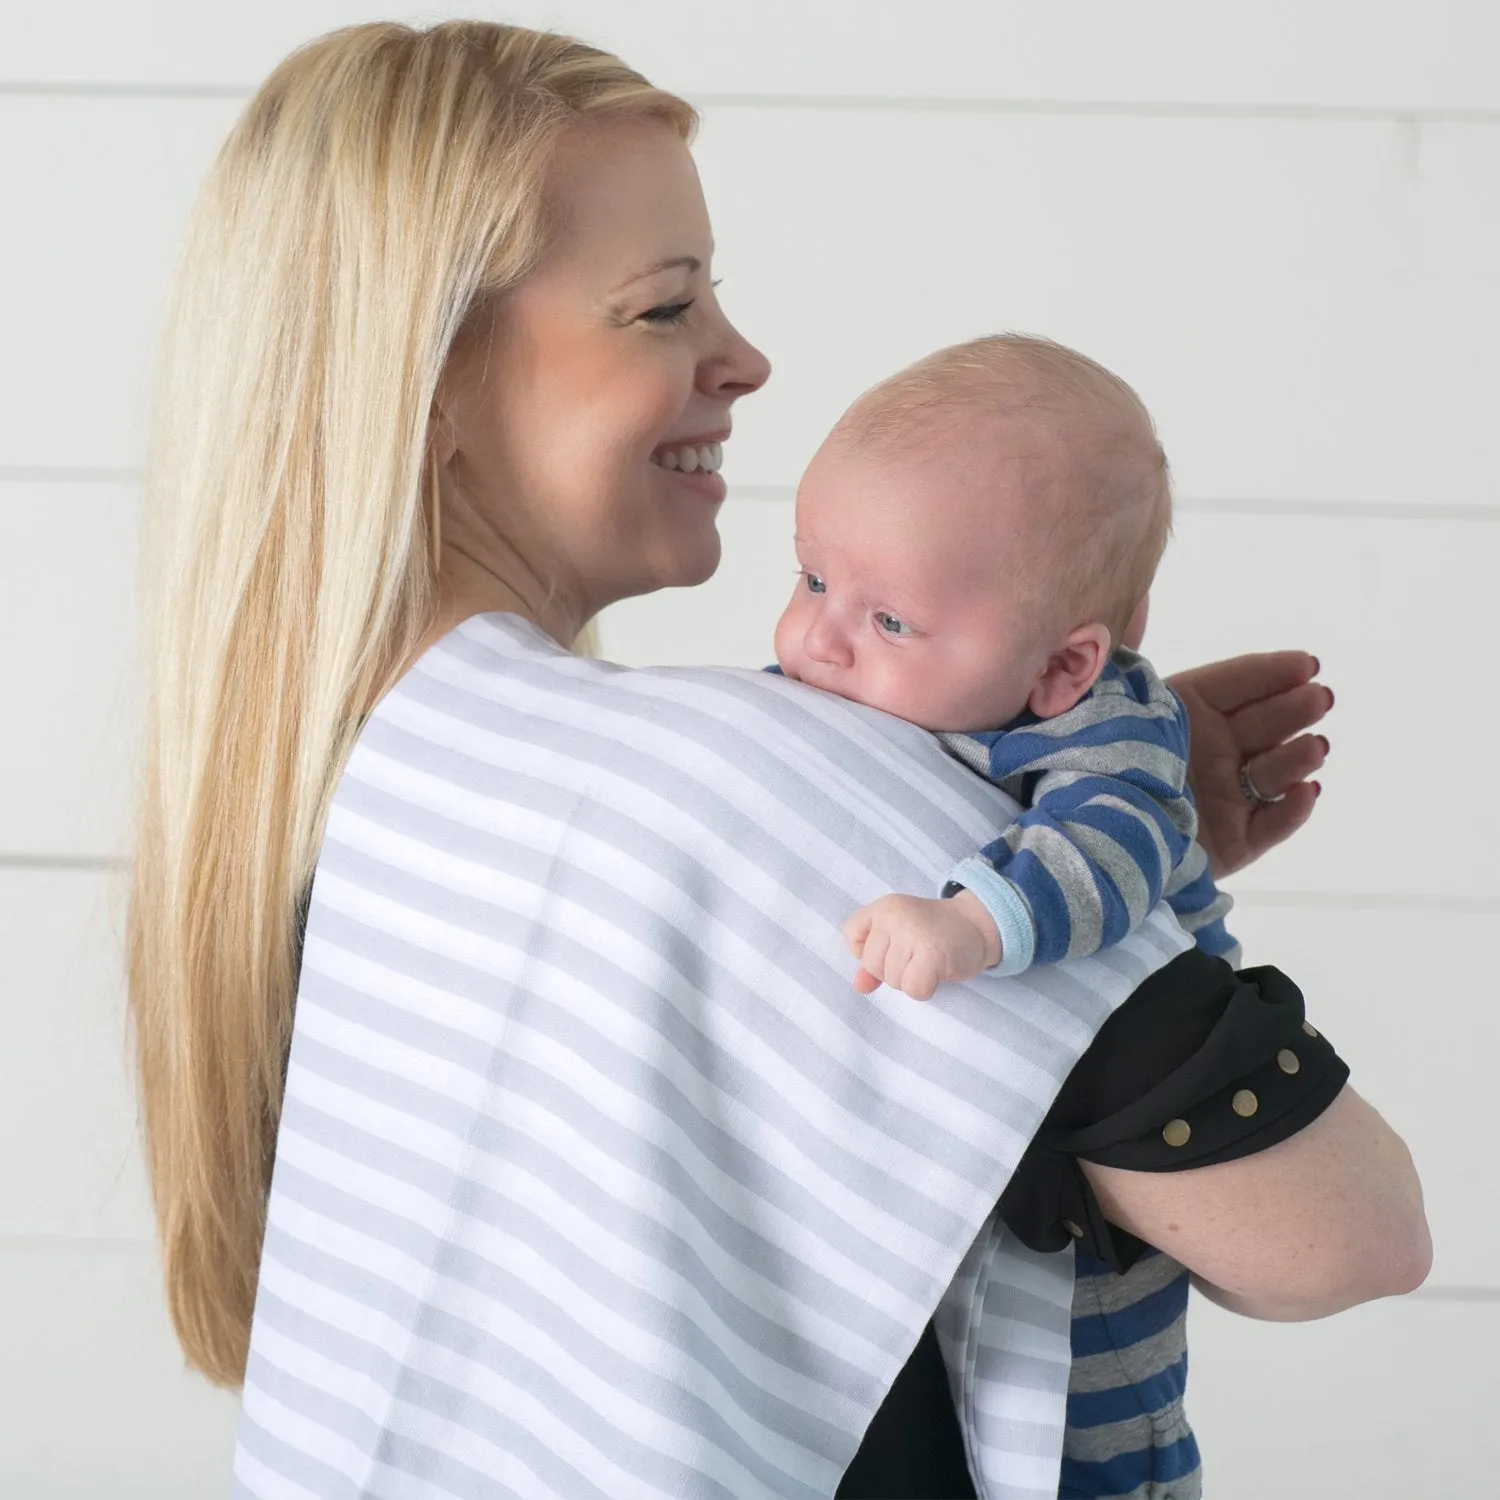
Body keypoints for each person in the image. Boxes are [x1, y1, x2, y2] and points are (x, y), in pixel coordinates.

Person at [124, 20, 1429, 1500]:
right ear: (429, 376)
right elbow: (1350, 1239)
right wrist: (1111, 887)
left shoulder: (341, 793)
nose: (743, 359)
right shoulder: (763, 782)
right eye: (661, 308)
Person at [775, 333, 1238, 1001]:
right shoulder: (836, 679)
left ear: (1060, 669)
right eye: (813, 580)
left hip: (1187, 1046)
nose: (820, 641)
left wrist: (971, 923)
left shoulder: (1113, 736)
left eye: (891, 622)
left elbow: (1103, 852)